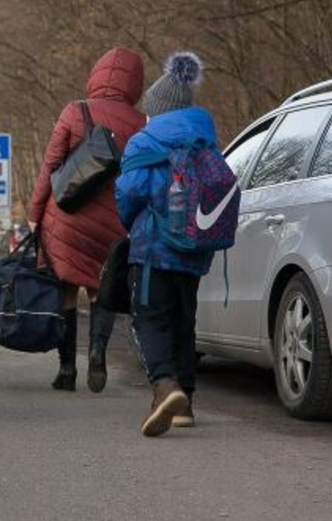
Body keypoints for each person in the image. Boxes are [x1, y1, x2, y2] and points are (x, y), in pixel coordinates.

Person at [28, 47, 146, 393]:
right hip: (112, 223)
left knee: (66, 289)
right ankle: (97, 351)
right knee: (100, 289)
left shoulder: (74, 111)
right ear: (135, 83)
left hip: (66, 216)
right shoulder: (141, 123)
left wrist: (35, 215)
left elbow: (50, 167)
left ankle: (67, 369)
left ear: (96, 75)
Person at [115, 51, 215, 436]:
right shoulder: (206, 138)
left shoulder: (145, 141)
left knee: (149, 320)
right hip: (193, 248)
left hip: (153, 249)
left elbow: (129, 192)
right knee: (183, 323)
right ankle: (186, 402)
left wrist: (130, 224)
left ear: (156, 109)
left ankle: (164, 386)